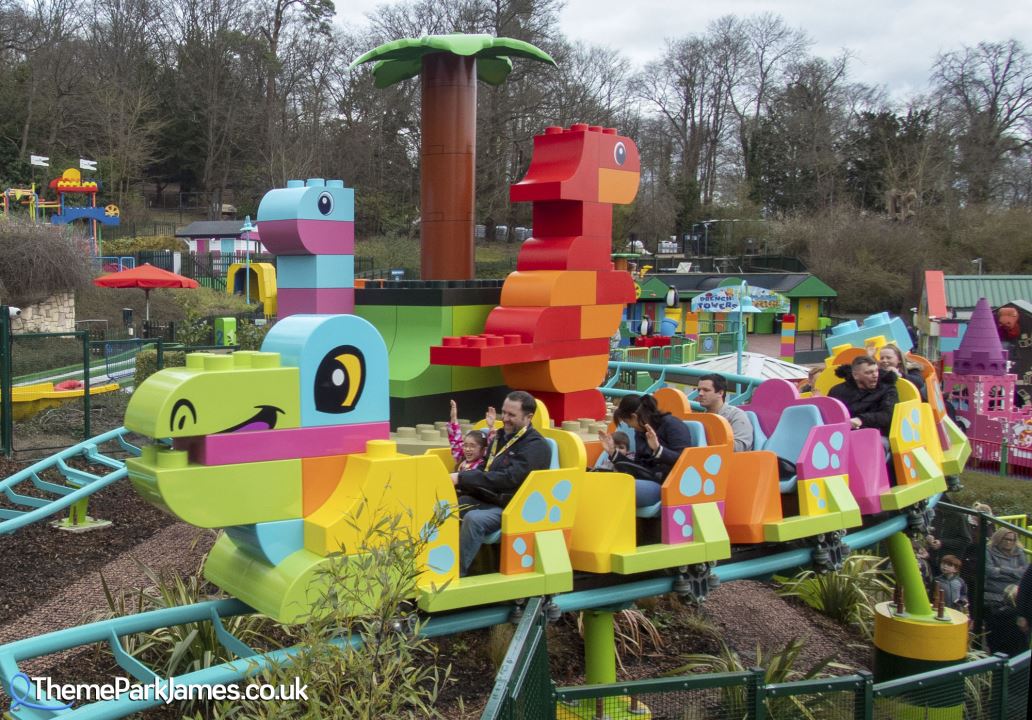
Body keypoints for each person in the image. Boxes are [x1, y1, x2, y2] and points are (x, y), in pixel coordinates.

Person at [451, 391, 551, 576]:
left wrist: (463, 478)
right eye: (503, 413)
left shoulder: (536, 447)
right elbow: (485, 469)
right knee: (446, 506)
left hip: (513, 507)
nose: (504, 418)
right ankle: (433, 564)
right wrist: (460, 480)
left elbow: (509, 478)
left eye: (511, 415)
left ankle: (456, 575)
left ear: (528, 417)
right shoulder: (500, 437)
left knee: (474, 519)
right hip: (489, 498)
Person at [600, 393, 695, 507]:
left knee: (619, 488)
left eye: (628, 423)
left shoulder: (673, 425)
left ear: (634, 417)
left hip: (667, 485)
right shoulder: (640, 431)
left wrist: (658, 449)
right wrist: (613, 453)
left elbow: (685, 461)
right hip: (646, 479)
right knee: (602, 483)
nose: (629, 427)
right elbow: (639, 467)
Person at [828, 355, 899, 437]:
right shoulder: (837, 391)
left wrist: (861, 419)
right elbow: (830, 414)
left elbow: (887, 415)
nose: (875, 375)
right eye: (868, 372)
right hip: (843, 434)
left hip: (877, 434)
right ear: (855, 375)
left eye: (876, 371)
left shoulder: (887, 389)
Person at [696, 374, 753, 451]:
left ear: (720, 393)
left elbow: (740, 446)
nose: (700, 394)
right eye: (699, 390)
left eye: (706, 390)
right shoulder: (699, 418)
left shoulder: (736, 415)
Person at [985, 527, 1029, 611]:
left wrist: (1001, 569)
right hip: (995, 588)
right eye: (1005, 539)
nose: (1009, 542)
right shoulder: (988, 550)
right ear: (999, 538)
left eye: (1012, 540)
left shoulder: (1019, 552)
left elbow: (1024, 573)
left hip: (1015, 588)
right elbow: (989, 571)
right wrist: (1015, 573)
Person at [447, 400, 496, 472]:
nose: (467, 449)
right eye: (465, 445)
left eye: (472, 446)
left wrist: (491, 426)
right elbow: (456, 440)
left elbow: (493, 447)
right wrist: (453, 417)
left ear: (483, 450)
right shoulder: (461, 458)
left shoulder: (483, 463)